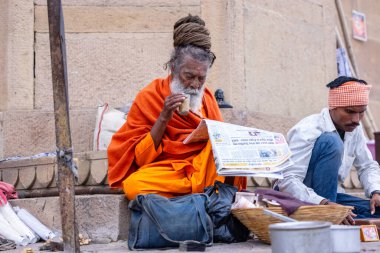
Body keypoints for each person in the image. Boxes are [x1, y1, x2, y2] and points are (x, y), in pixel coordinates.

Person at [107, 14, 246, 200]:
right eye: (188, 76)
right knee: (134, 186)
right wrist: (164, 116)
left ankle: (196, 191)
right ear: (173, 67)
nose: (195, 85)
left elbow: (223, 147)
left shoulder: (208, 98)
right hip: (170, 172)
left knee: (226, 159)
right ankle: (201, 193)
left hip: (204, 170)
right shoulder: (150, 95)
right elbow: (141, 159)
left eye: (201, 78)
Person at [275, 76, 380, 223]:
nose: (356, 120)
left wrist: (376, 192)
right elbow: (288, 181)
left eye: (361, 112)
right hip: (300, 200)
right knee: (331, 141)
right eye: (349, 111)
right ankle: (329, 218)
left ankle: (337, 219)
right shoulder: (307, 129)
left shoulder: (355, 128)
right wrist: (324, 203)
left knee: (377, 210)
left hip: (333, 198)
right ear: (333, 107)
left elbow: (367, 165)